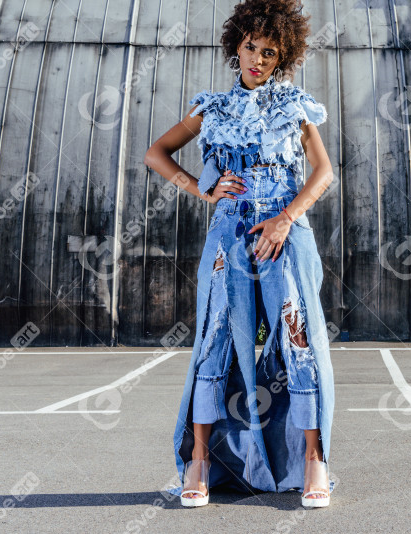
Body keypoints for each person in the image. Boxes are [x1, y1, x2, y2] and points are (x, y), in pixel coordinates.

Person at [143, 0, 337, 509]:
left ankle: (315, 461)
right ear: (237, 45)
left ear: (281, 58)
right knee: (213, 342)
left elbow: (323, 173)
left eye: (269, 52)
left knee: (298, 342)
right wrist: (200, 189)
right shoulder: (213, 108)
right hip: (229, 240)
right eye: (251, 46)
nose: (257, 58)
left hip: (282, 238)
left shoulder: (294, 108)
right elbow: (155, 153)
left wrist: (286, 218)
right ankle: (200, 462)